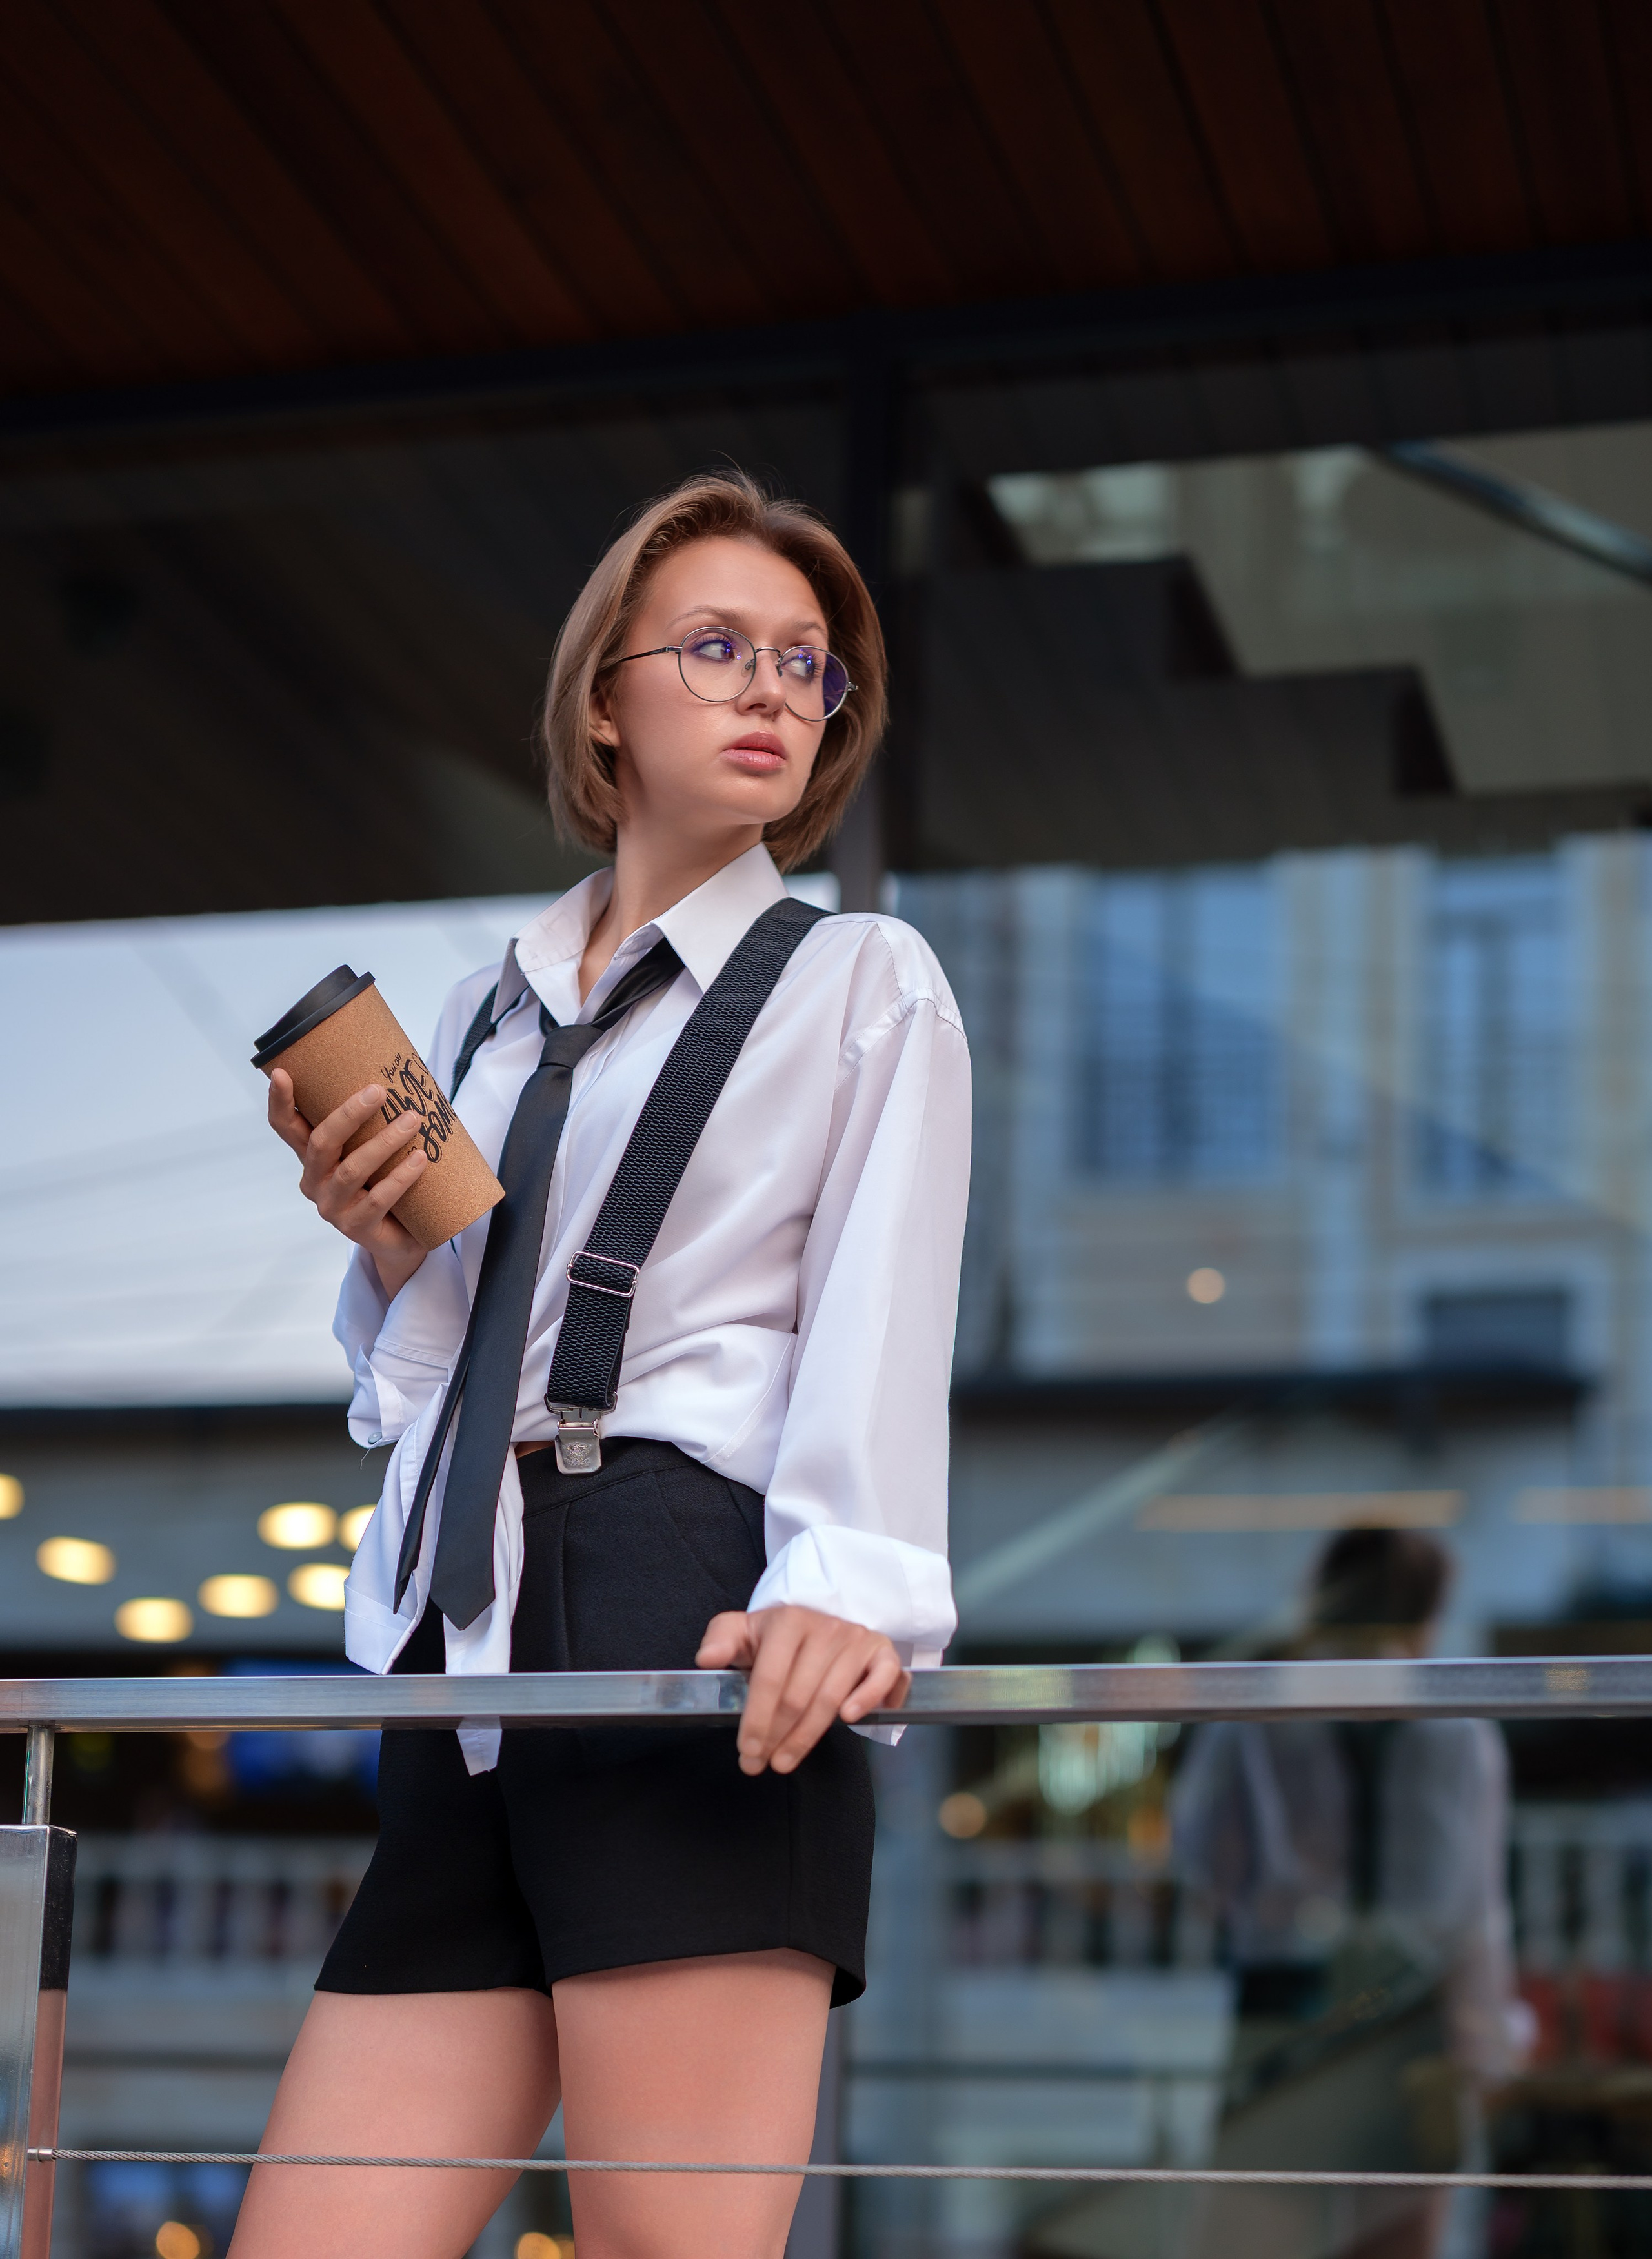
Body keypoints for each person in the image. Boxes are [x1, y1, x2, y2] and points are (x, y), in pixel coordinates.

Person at [237, 472, 970, 2259]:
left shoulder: (862, 973)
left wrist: (849, 1581)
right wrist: (384, 1235)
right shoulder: (493, 1009)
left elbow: (885, 1303)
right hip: (464, 1649)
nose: (777, 690)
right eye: (719, 647)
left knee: (667, 2247)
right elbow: (431, 1370)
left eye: (810, 666)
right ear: (602, 702)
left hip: (685, 1605)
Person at [1173, 1528, 1531, 2259]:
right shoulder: (1460, 1723)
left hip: (1286, 2002)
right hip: (1407, 2009)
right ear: (1426, 1606)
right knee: (1396, 2243)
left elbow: (1202, 1853)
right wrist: (1486, 2037)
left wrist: (1271, 1905)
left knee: (1249, 2240)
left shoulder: (1260, 1705)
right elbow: (1476, 1908)